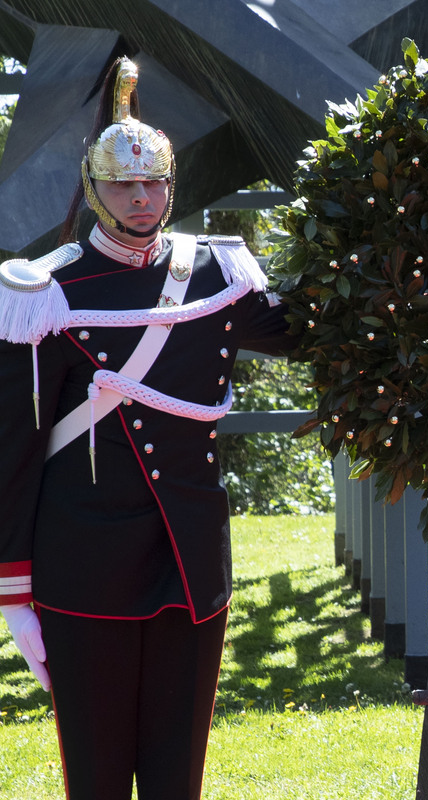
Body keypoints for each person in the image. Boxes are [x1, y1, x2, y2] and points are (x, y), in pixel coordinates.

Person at [0, 57, 293, 799]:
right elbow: (14, 453)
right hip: (84, 563)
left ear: (172, 187)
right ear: (94, 190)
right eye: (124, 185)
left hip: (189, 558)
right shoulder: (45, 293)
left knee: (176, 774)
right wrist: (11, 591)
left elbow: (316, 332)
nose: (140, 197)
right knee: (96, 776)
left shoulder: (217, 274)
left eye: (154, 183)